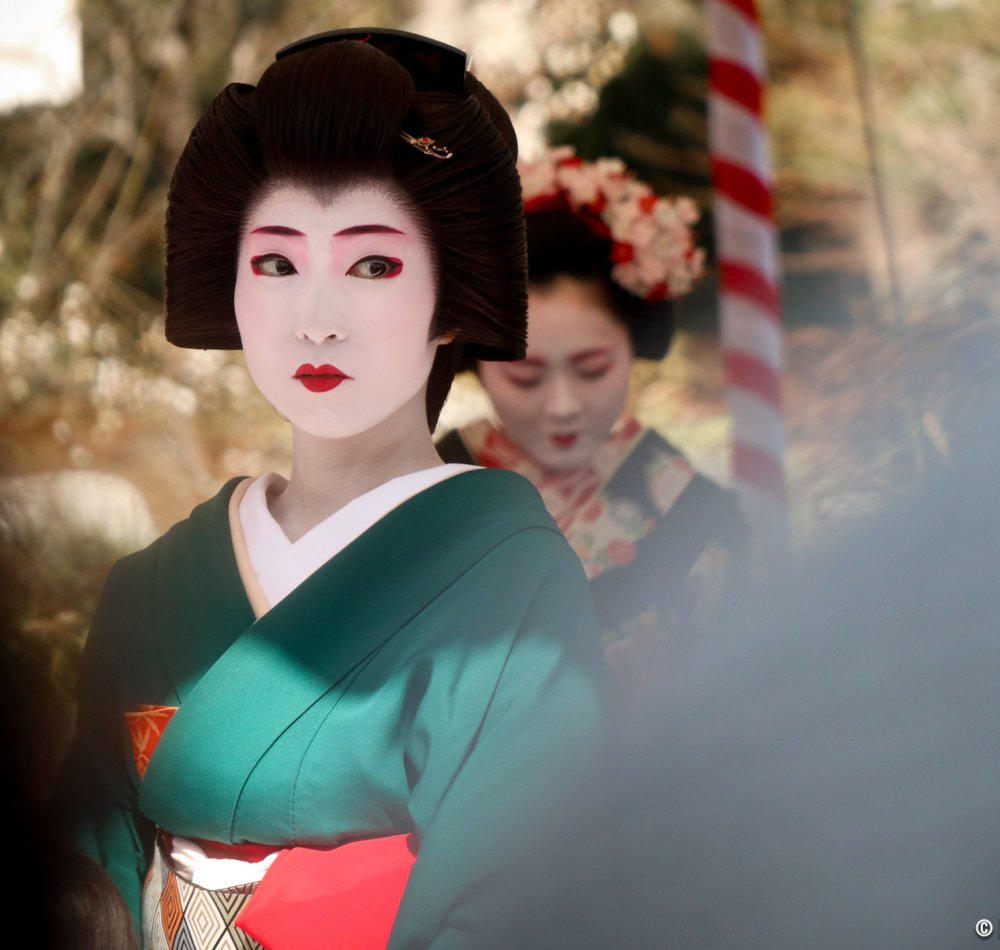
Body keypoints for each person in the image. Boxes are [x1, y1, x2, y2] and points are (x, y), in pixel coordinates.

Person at [53, 30, 606, 949]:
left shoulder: (515, 595)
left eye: (372, 264)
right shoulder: (149, 588)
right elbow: (85, 857)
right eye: (275, 263)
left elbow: (520, 901)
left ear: (452, 302)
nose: (315, 320)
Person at [438, 147, 749, 687]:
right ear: (476, 364)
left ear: (635, 345)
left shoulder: (693, 510)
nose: (562, 405)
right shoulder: (425, 497)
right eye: (526, 377)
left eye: (592, 368)